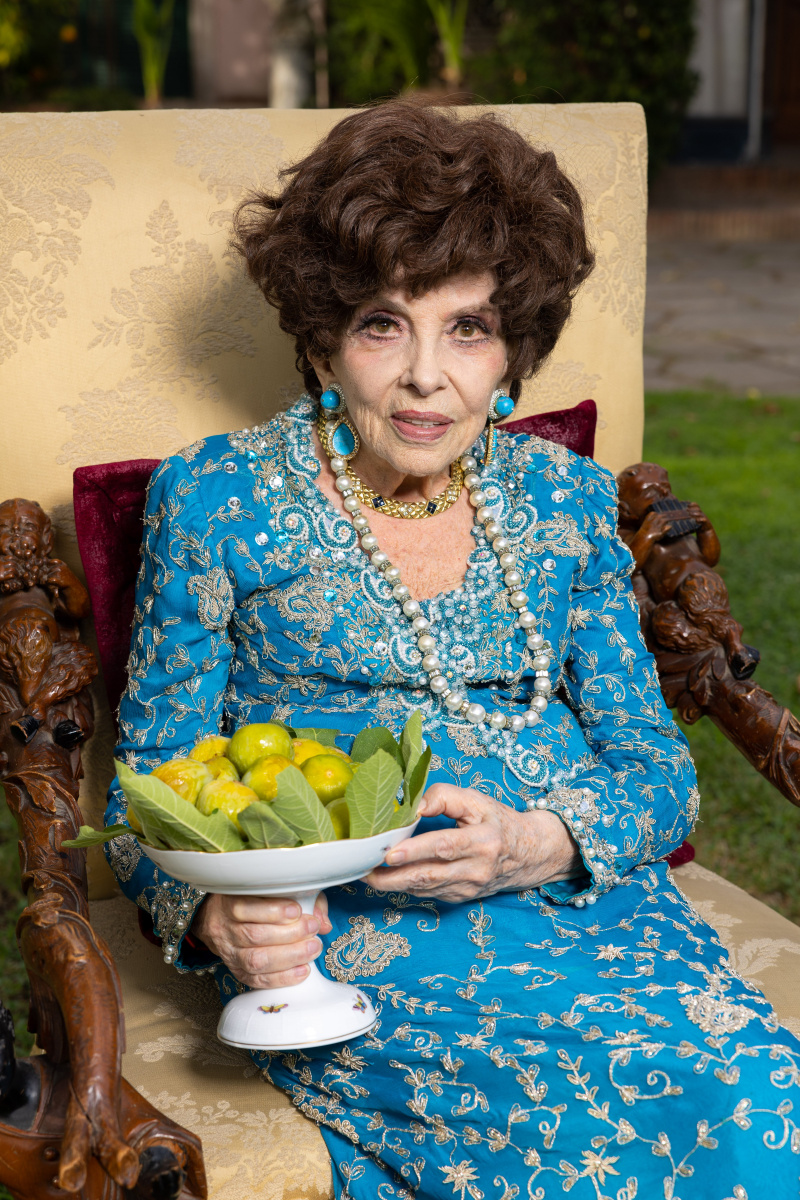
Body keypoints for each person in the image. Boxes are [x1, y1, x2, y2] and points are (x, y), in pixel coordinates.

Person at [106, 102, 799, 1198]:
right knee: (625, 1112)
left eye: (467, 328)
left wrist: (538, 843)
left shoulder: (567, 501)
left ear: (513, 349)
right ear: (323, 340)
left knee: (756, 1091)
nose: (426, 376)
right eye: (383, 324)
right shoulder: (217, 498)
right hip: (355, 936)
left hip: (589, 906)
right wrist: (216, 916)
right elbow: (144, 792)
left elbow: (659, 775)